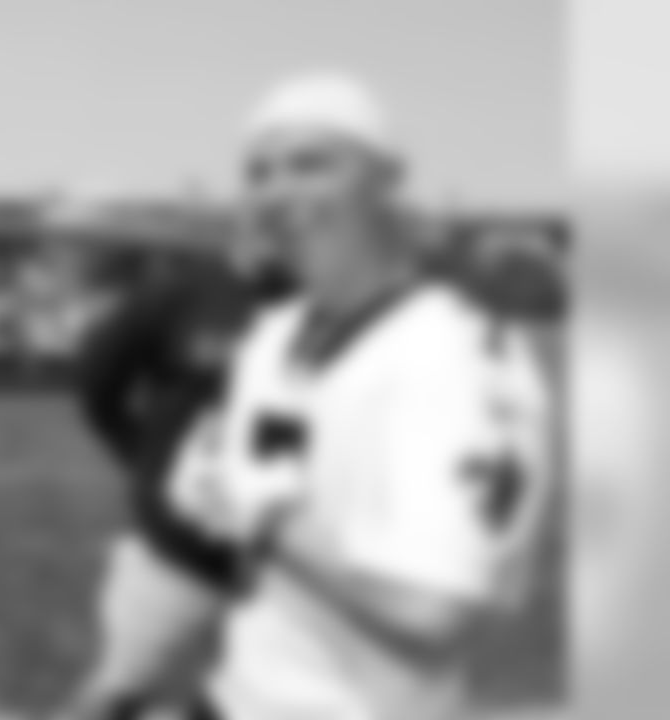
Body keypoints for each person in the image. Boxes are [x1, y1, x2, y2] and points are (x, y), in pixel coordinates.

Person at [170, 72, 556, 720]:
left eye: (312, 164)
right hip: (236, 695)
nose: (278, 192)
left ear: (387, 180)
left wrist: (261, 519)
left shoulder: (461, 354)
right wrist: (214, 490)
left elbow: (432, 615)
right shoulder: (274, 333)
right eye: (259, 172)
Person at [62, 228, 294, 720]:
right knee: (121, 692)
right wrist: (144, 459)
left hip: (276, 560)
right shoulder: (180, 294)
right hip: (177, 547)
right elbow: (96, 380)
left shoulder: (319, 308)